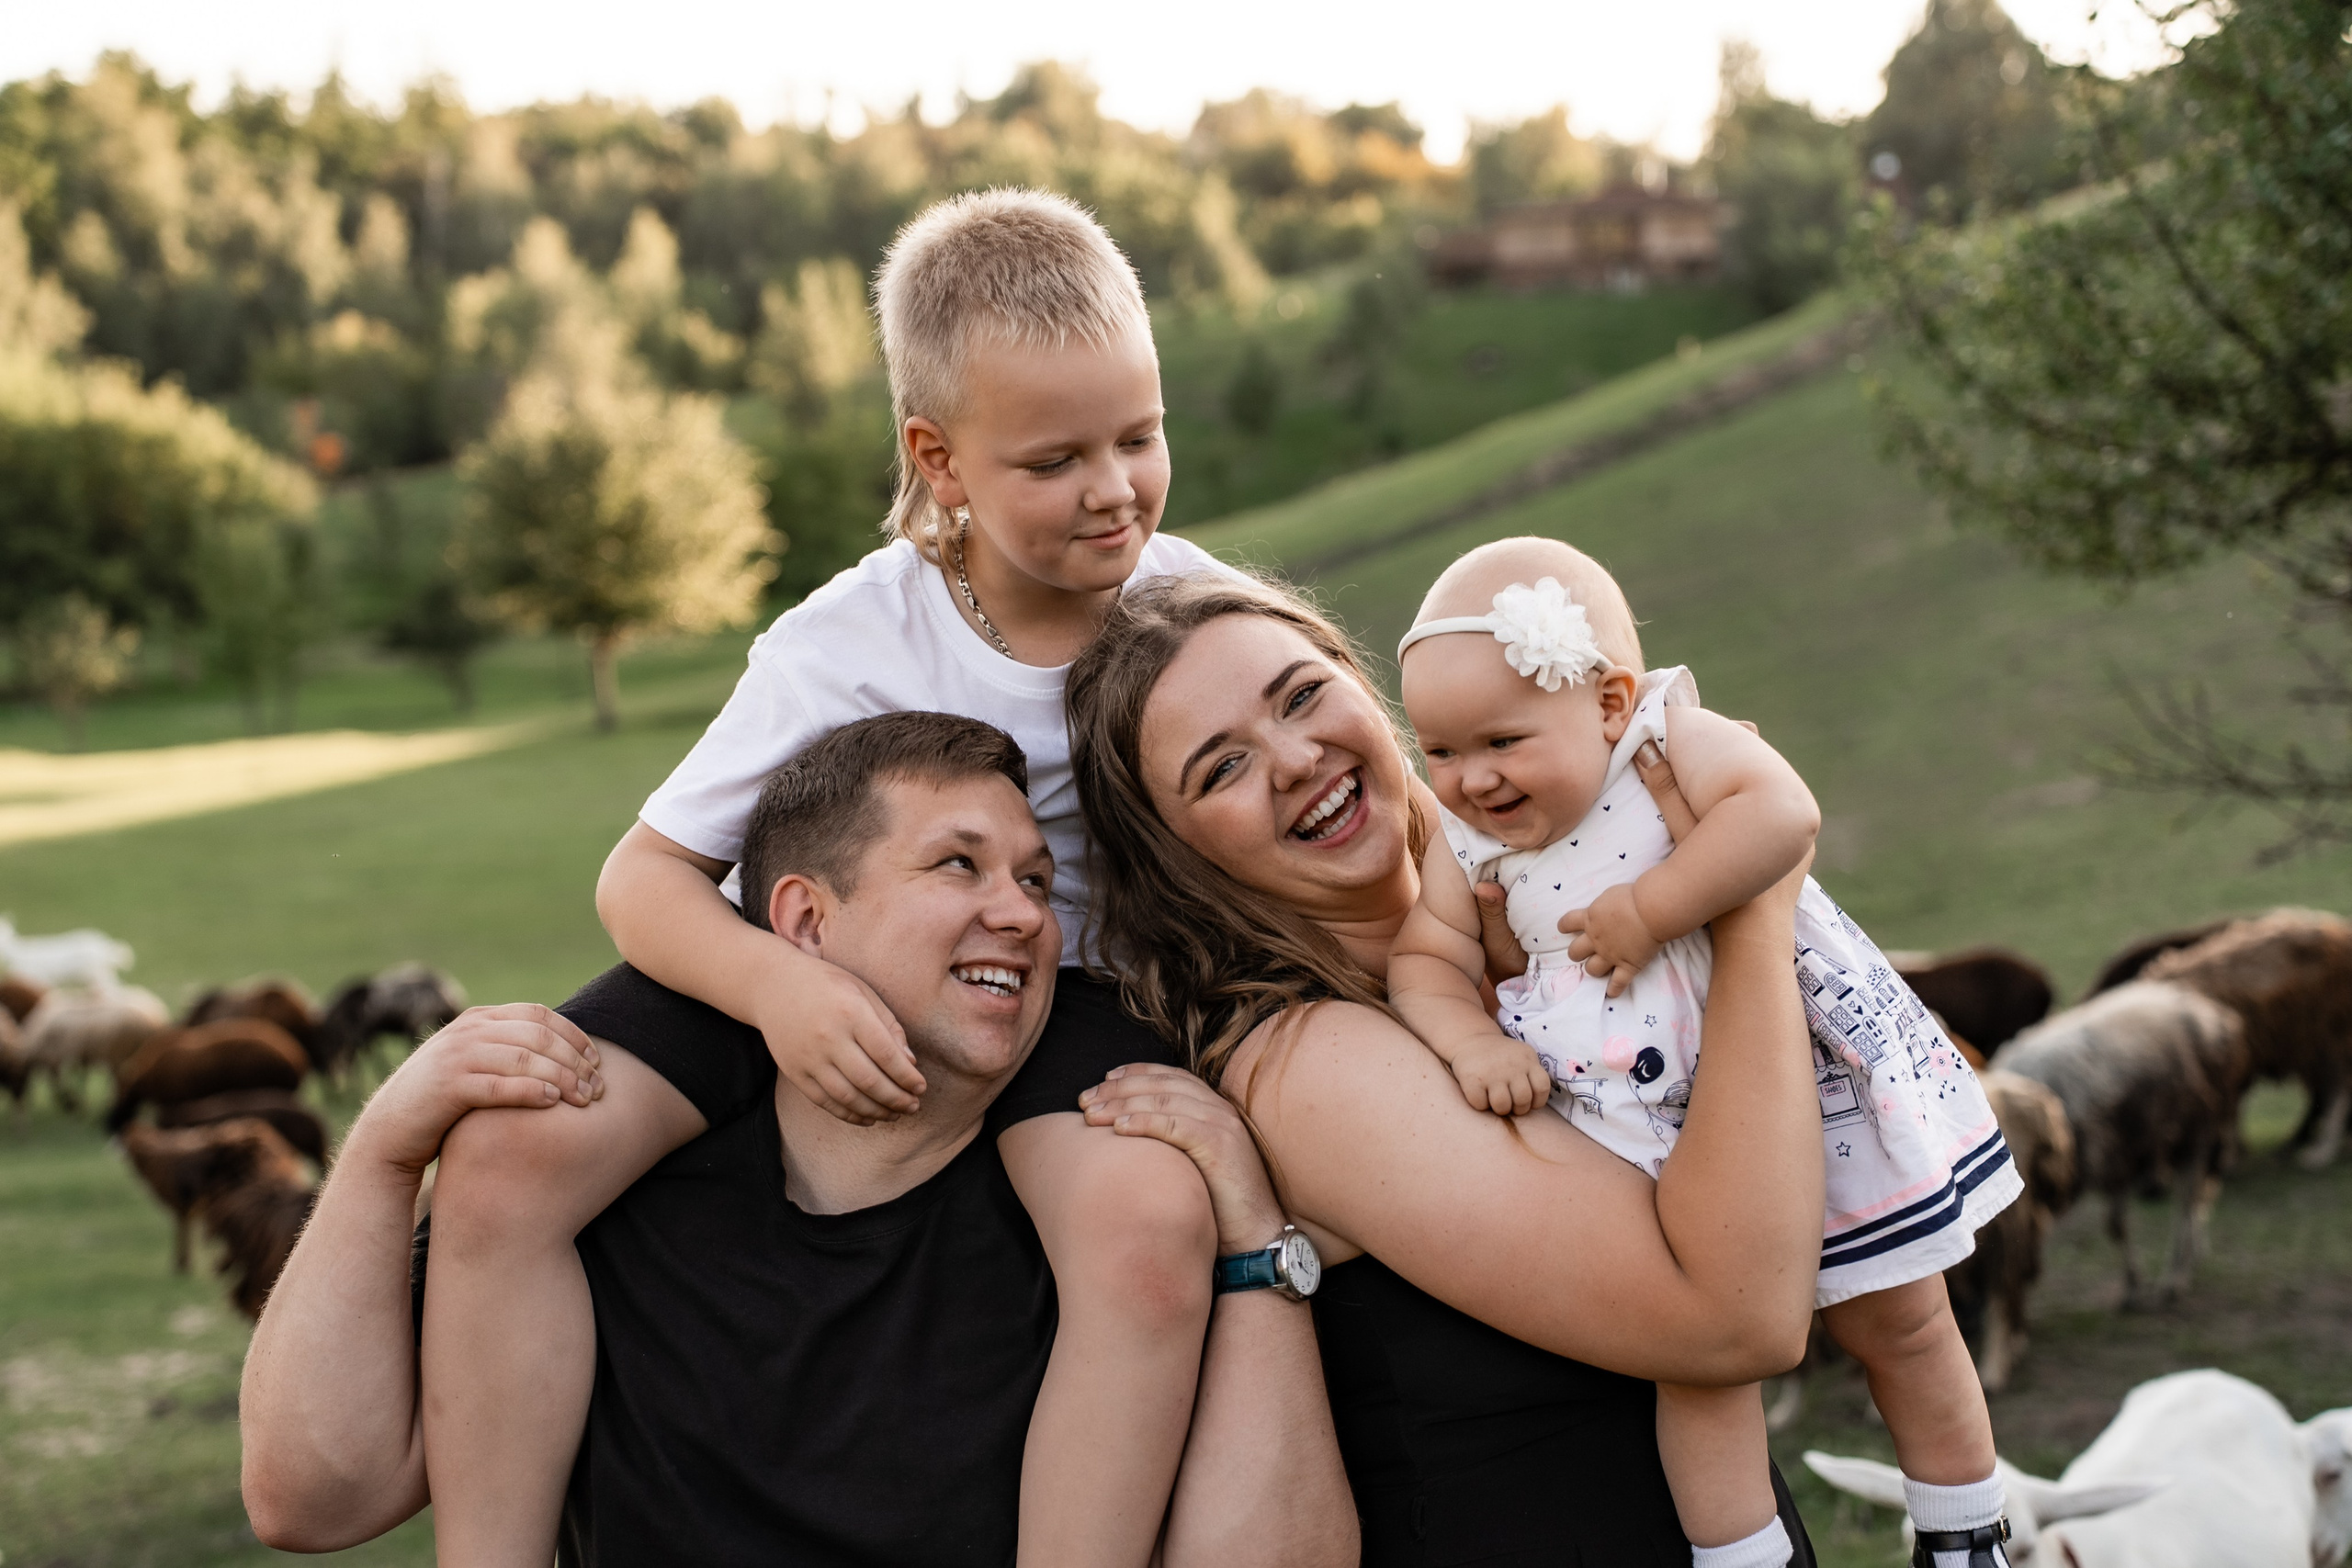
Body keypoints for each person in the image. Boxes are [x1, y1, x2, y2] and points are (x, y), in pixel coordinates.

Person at [419, 189, 1257, 1564]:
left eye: (1141, 436)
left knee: (1144, 1225)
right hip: (795, 964)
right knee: (510, 1156)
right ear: (941, 459)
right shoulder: (850, 638)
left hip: (1062, 977)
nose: (1115, 487)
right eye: (1054, 459)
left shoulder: (1194, 611)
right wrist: (778, 992)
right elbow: (643, 879)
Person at [240, 712, 1357, 1565]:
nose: (1022, 916)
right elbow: (308, 1496)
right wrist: (387, 1150)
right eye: (956, 865)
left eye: (1036, 879)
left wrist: (1256, 1236)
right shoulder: (612, 1202)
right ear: (803, 925)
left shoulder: (1094, 1208)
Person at [1063, 570, 1829, 1566]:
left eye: (1301, 696)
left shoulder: (1549, 897)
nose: (1296, 760)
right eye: (1221, 770)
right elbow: (1736, 1323)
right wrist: (1749, 911)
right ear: (1174, 857)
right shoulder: (1304, 1063)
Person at [1385, 537, 2021, 1568]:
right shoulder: (1463, 842)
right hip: (1628, 1123)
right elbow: (1427, 956)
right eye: (1440, 751)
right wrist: (1464, 1040)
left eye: (1501, 740)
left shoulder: (1669, 737)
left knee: (1901, 1318)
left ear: (1606, 701)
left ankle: (1962, 1532)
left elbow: (1782, 815)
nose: (1470, 779)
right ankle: (1742, 1557)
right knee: (1696, 1366)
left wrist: (1655, 905)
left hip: (1790, 1081)